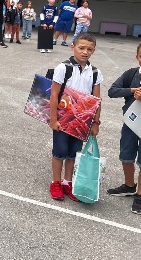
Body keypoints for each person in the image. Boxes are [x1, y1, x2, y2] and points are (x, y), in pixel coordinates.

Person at [48, 33, 102, 201]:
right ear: (73, 47)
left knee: (74, 152)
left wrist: (96, 122)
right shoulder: (63, 68)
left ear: (93, 51)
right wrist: (53, 119)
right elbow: (54, 94)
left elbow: (97, 100)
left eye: (89, 49)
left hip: (81, 122)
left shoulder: (95, 73)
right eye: (81, 48)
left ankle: (67, 182)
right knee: (60, 151)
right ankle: (56, 182)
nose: (85, 52)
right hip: (63, 119)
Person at [106, 43, 141, 213]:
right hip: (131, 122)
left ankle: (140, 195)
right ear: (137, 57)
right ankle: (129, 185)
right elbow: (112, 91)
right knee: (126, 156)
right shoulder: (131, 74)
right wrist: (132, 90)